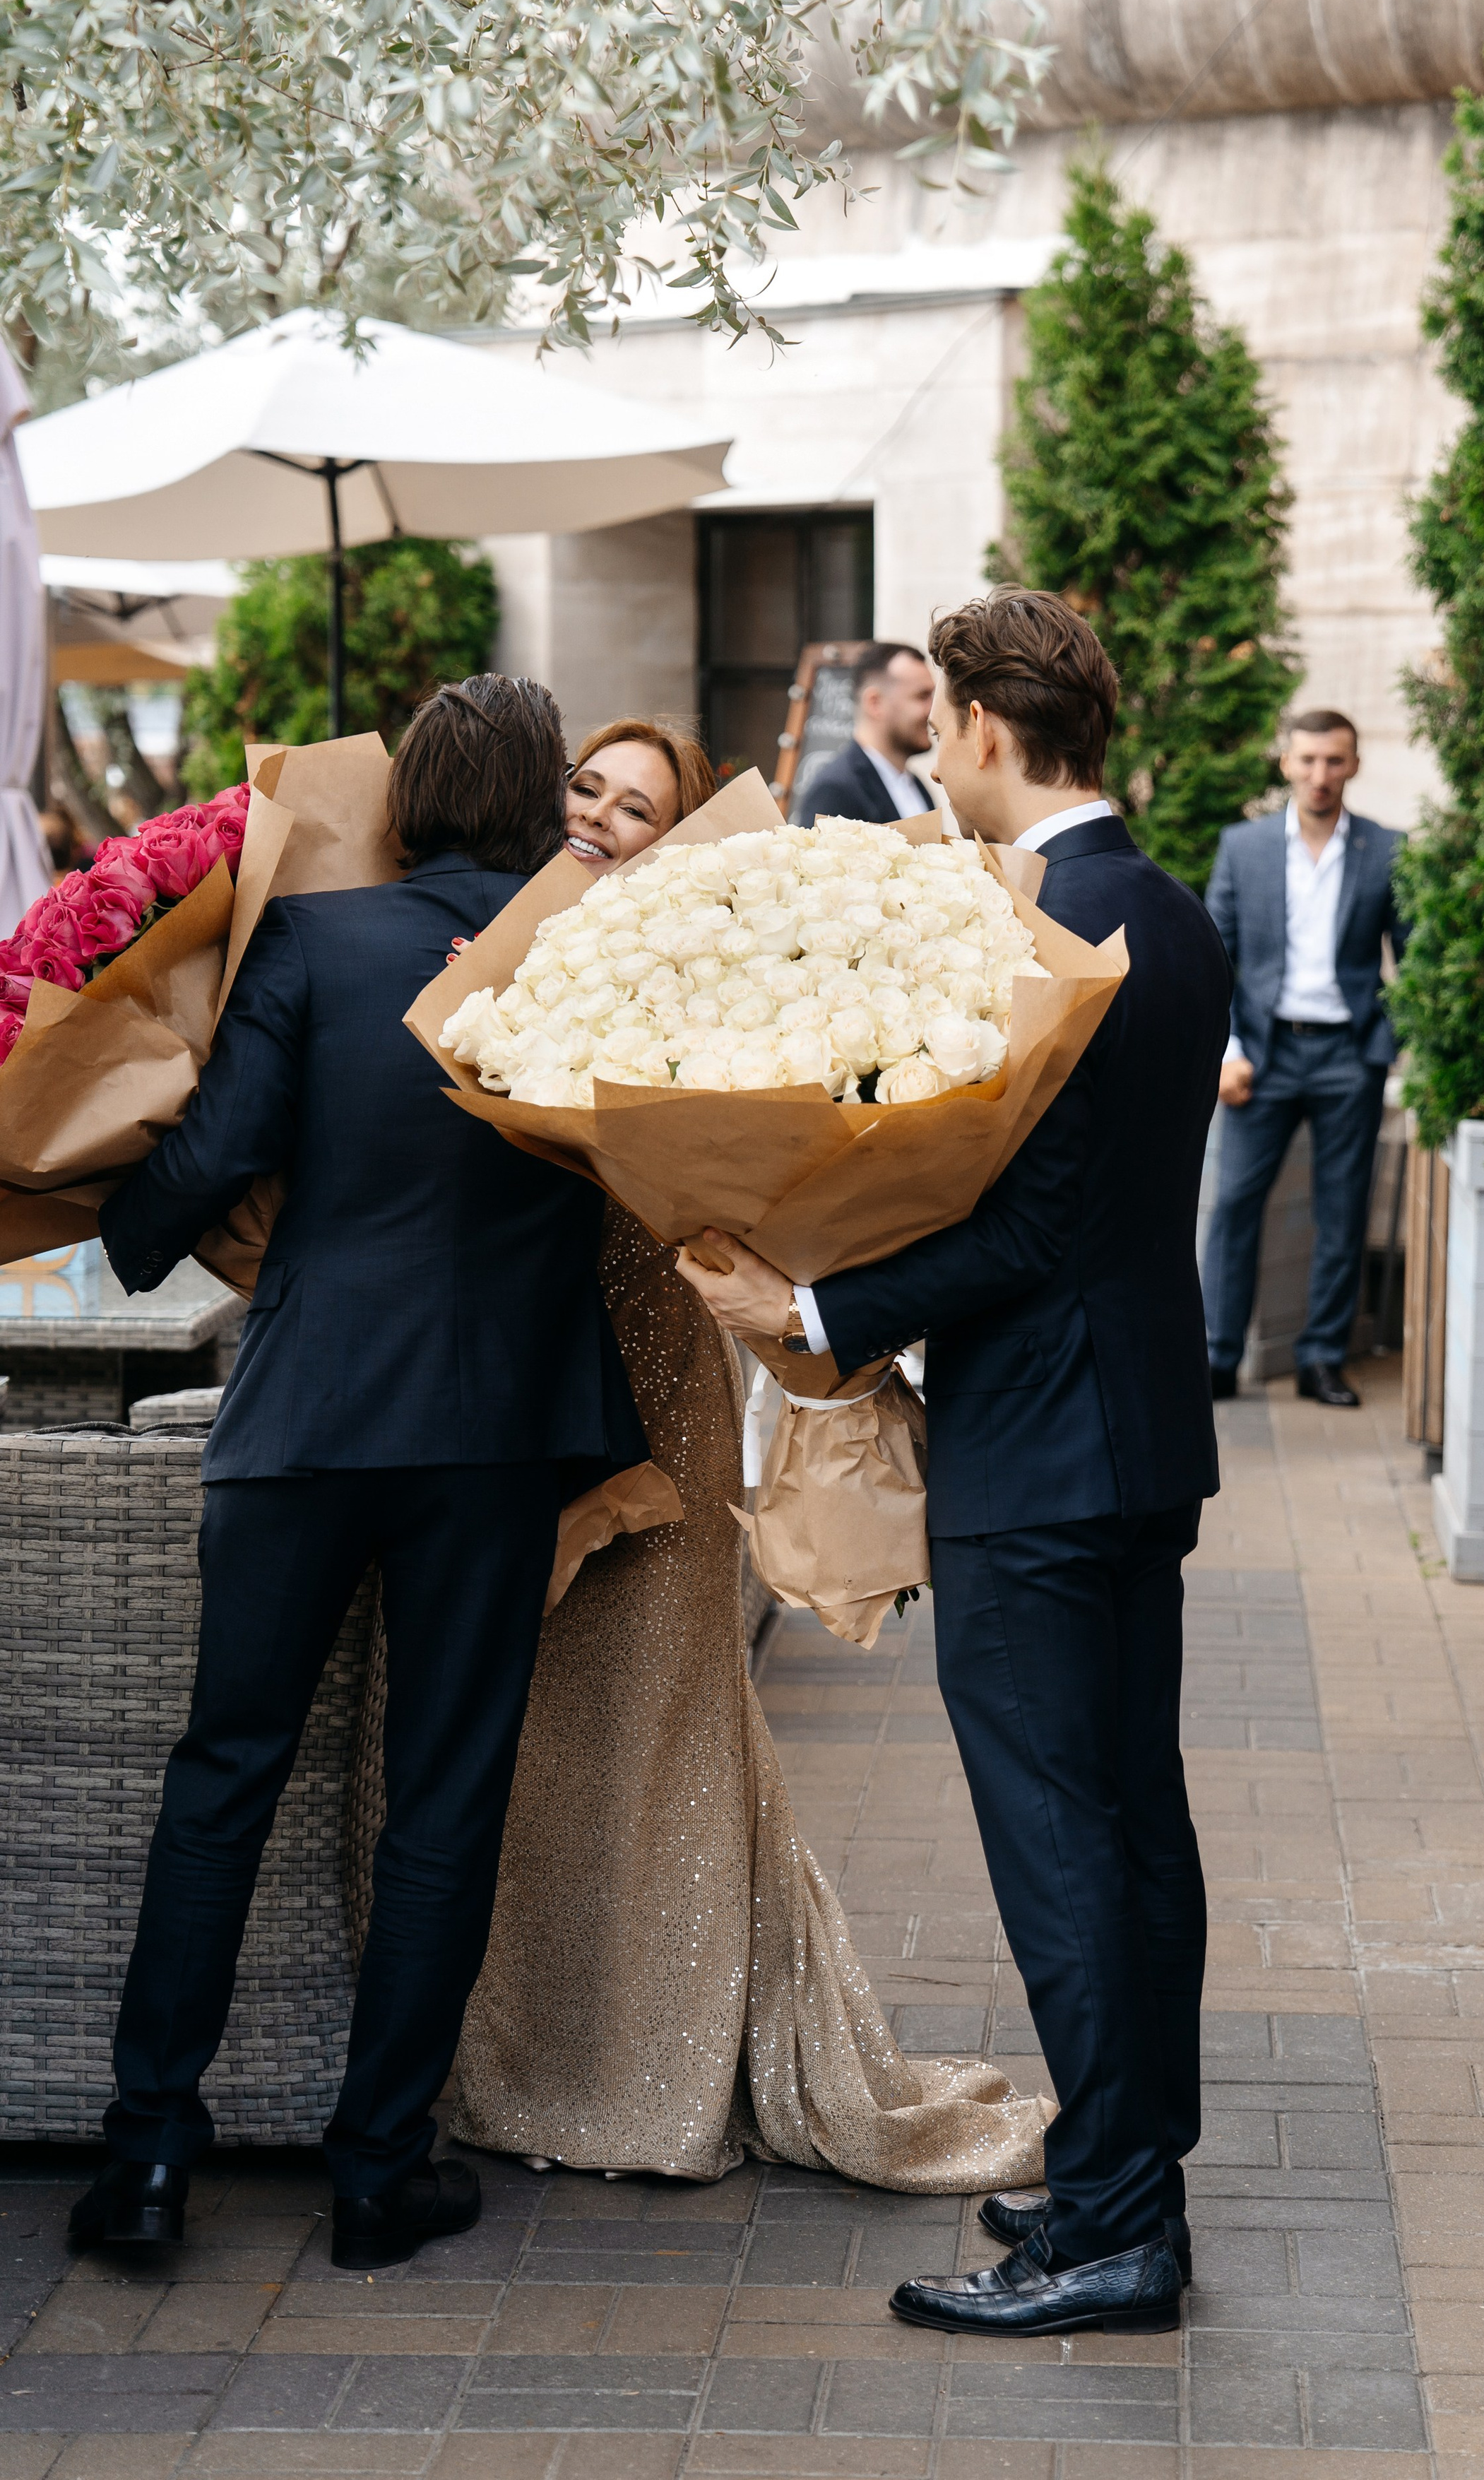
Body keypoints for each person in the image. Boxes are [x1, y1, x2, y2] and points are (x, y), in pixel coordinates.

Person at [677, 590, 1231, 2341]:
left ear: (991, 731)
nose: (931, 757)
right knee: (1132, 1817)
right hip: (1134, 1429)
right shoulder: (1169, 906)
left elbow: (1035, 1223)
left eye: (939, 733)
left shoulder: (1054, 926)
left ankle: (1117, 2234)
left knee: (1061, 1838)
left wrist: (810, 1292)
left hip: (1046, 1449)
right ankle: (1123, 2161)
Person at [71, 678, 649, 2275]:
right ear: (543, 801)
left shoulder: (316, 941)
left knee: (221, 1780)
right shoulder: (584, 957)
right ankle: (379, 2170)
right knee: (442, 1803)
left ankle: (144, 2160)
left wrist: (94, 1231)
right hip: (491, 1433)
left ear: (399, 801)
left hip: (304, 1418)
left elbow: (213, 1151)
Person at [450, 714, 1050, 2197]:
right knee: (530, 1729)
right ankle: (533, 2046)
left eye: (638, 805)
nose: (599, 811)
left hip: (659, 1370)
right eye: (586, 785)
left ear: (680, 844)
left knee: (658, 1711)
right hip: (515, 1402)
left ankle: (663, 2059)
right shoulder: (494, 958)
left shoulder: (720, 964)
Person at [1200, 707, 1407, 1411]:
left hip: (1349, 1055)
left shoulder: (1386, 849)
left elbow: (1419, 960)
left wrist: (1393, 1041)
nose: (1320, 775)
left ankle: (1321, 1360)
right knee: (1232, 1205)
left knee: (1343, 1211)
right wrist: (1225, 1050)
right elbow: (1214, 959)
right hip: (1261, 1054)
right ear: (1285, 762)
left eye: (1334, 761)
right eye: (1307, 760)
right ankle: (1216, 1358)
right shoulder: (1244, 847)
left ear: (1352, 765)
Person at [790, 641, 936, 825]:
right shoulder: (836, 792)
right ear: (875, 703)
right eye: (922, 696)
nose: (933, 712)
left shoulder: (918, 786)